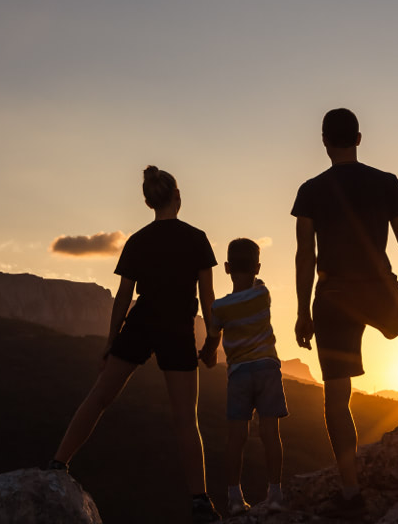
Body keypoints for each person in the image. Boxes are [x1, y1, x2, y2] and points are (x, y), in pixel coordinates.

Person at [48, 166, 222, 523]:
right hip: (177, 328)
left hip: (141, 323)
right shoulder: (197, 238)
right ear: (177, 196)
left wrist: (111, 341)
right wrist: (212, 341)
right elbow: (208, 299)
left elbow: (123, 297)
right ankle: (200, 502)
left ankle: (58, 463)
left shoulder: (138, 241)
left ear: (148, 202)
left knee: (99, 397)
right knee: (186, 419)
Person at [292, 108, 398, 517]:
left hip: (333, 294)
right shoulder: (385, 182)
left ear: (325, 141)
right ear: (359, 139)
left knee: (337, 396)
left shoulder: (310, 190)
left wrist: (303, 311)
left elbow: (305, 255)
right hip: (377, 286)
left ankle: (350, 491)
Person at [198, 238, 288, 516]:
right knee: (270, 433)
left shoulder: (219, 308)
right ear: (257, 268)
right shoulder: (263, 294)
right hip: (267, 370)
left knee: (236, 438)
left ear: (226, 268)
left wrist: (207, 356)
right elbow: (255, 281)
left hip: (239, 375)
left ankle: (235, 498)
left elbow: (212, 340)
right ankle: (275, 494)